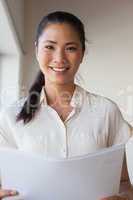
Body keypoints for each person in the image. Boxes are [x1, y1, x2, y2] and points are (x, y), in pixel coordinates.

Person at [0, 11, 132, 200]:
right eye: (50, 47)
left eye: (70, 48)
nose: (59, 57)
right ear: (37, 50)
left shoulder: (106, 112)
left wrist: (123, 198)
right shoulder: (9, 117)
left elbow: (126, 184)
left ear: (82, 53)